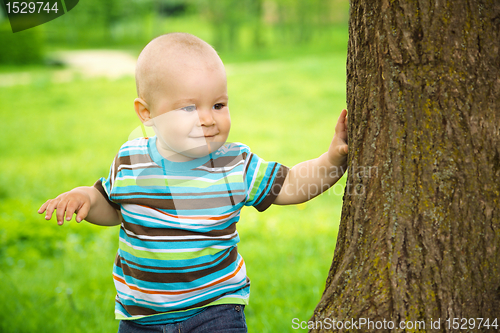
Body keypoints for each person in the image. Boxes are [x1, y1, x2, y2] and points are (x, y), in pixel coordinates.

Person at [38, 32, 349, 333]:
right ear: (147, 113)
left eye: (218, 105)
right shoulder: (130, 160)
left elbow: (292, 184)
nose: (207, 119)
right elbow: (113, 207)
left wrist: (333, 160)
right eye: (189, 107)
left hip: (215, 311)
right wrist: (86, 199)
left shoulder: (234, 165)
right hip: (140, 319)